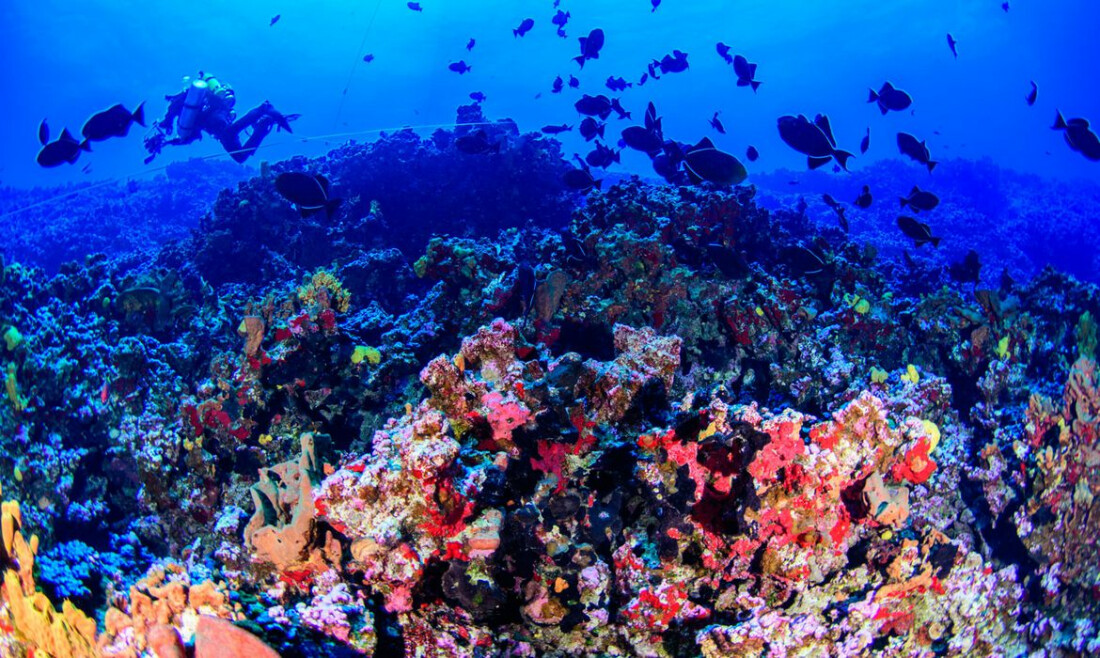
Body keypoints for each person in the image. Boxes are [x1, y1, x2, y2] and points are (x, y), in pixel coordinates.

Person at [144, 72, 297, 164]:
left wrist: (167, 127)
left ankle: (263, 109)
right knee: (240, 157)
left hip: (217, 116)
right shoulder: (188, 113)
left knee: (229, 133)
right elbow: (190, 137)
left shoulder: (184, 104)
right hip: (218, 121)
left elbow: (181, 128)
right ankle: (263, 126)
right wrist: (168, 142)